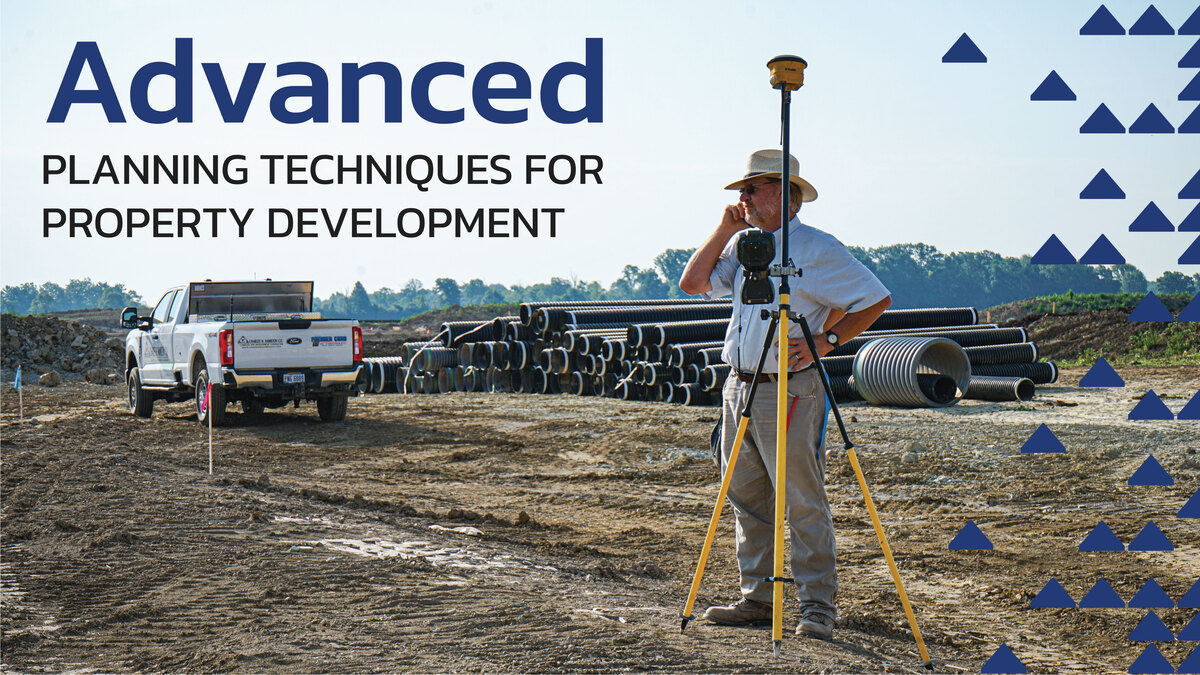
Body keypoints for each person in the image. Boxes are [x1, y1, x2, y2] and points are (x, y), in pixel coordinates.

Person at [678, 149, 892, 639]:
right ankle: (758, 598)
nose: (742, 197)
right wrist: (723, 230)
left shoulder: (817, 249)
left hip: (791, 389)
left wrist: (827, 340)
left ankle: (817, 606)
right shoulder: (742, 246)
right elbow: (693, 283)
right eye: (741, 190)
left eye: (752, 188)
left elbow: (875, 299)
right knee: (747, 496)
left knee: (801, 499)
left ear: (785, 195)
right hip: (741, 384)